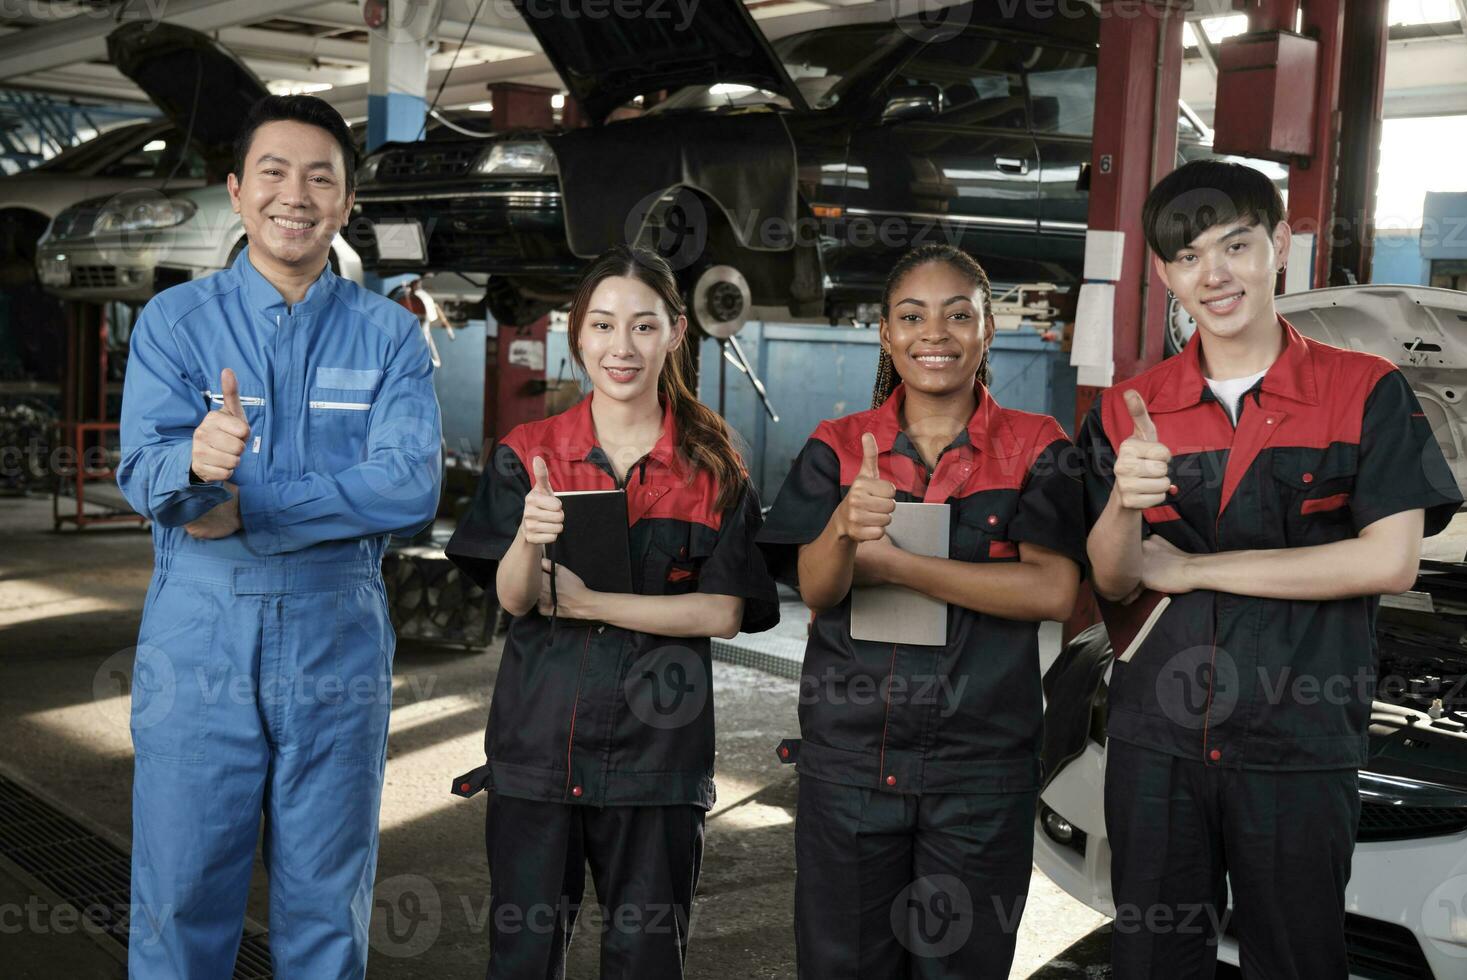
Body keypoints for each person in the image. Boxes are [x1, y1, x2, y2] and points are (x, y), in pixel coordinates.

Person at [1080, 159, 1462, 979]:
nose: (1214, 275)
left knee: (1296, 961)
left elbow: (1390, 561)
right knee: (1150, 960)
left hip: (1298, 741)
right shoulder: (1128, 408)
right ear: (1162, 273)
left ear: (1281, 247)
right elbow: (1112, 581)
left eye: (1237, 246)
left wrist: (1196, 571)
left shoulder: (1366, 391)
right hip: (1160, 744)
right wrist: (1122, 500)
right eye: (1188, 257)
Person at [115, 94, 442, 978]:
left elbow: (409, 483)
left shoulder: (390, 339)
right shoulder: (175, 325)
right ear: (236, 190)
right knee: (180, 896)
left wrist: (246, 505)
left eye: (319, 177)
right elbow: (142, 471)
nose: (294, 195)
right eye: (273, 171)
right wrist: (193, 459)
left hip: (336, 635)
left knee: (326, 904)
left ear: (345, 203)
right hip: (199, 635)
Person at [444, 245, 780, 979]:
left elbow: (722, 612)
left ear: (676, 332)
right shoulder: (528, 453)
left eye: (642, 326)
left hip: (656, 759)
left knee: (646, 959)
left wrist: (594, 602)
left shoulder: (715, 467)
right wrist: (530, 538)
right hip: (538, 750)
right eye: (601, 325)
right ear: (577, 333)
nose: (620, 347)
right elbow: (512, 597)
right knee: (523, 959)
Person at [756, 243, 1087, 978]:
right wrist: (843, 526)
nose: (933, 334)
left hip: (980, 767)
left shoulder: (1040, 447)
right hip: (850, 762)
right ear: (884, 332)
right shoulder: (836, 449)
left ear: (988, 328)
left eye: (957, 315)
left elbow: (1053, 591)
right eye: (912, 316)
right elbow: (817, 590)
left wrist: (902, 565)